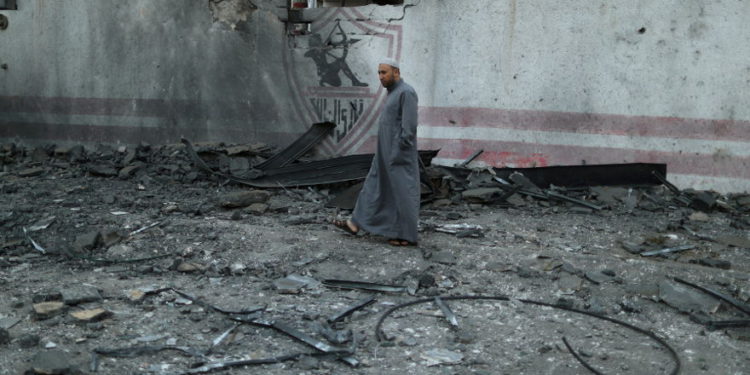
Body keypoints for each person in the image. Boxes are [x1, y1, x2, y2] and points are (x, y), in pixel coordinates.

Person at [333, 58, 420, 246]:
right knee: (374, 186)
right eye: (379, 72)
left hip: (398, 155)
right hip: (384, 153)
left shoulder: (407, 92)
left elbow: (409, 128)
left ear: (396, 72)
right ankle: (355, 223)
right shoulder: (393, 93)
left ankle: (406, 235)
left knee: (402, 193)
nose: (380, 77)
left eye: (384, 72)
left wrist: (398, 153)